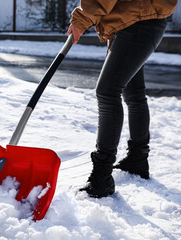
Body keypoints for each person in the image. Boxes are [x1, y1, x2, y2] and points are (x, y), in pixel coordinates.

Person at [67, 0, 177, 198]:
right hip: (138, 18)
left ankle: (102, 176)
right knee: (134, 93)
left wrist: (82, 18)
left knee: (107, 92)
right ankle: (137, 158)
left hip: (136, 19)